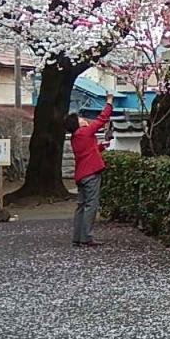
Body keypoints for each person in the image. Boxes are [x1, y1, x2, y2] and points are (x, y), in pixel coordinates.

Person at [67, 102, 113, 247]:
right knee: (91, 205)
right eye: (80, 119)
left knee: (81, 205)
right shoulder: (84, 132)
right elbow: (101, 120)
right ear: (77, 124)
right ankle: (86, 237)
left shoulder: (76, 136)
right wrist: (109, 103)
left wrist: (102, 146)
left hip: (81, 174)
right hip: (91, 173)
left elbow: (88, 152)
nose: (83, 119)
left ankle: (78, 237)